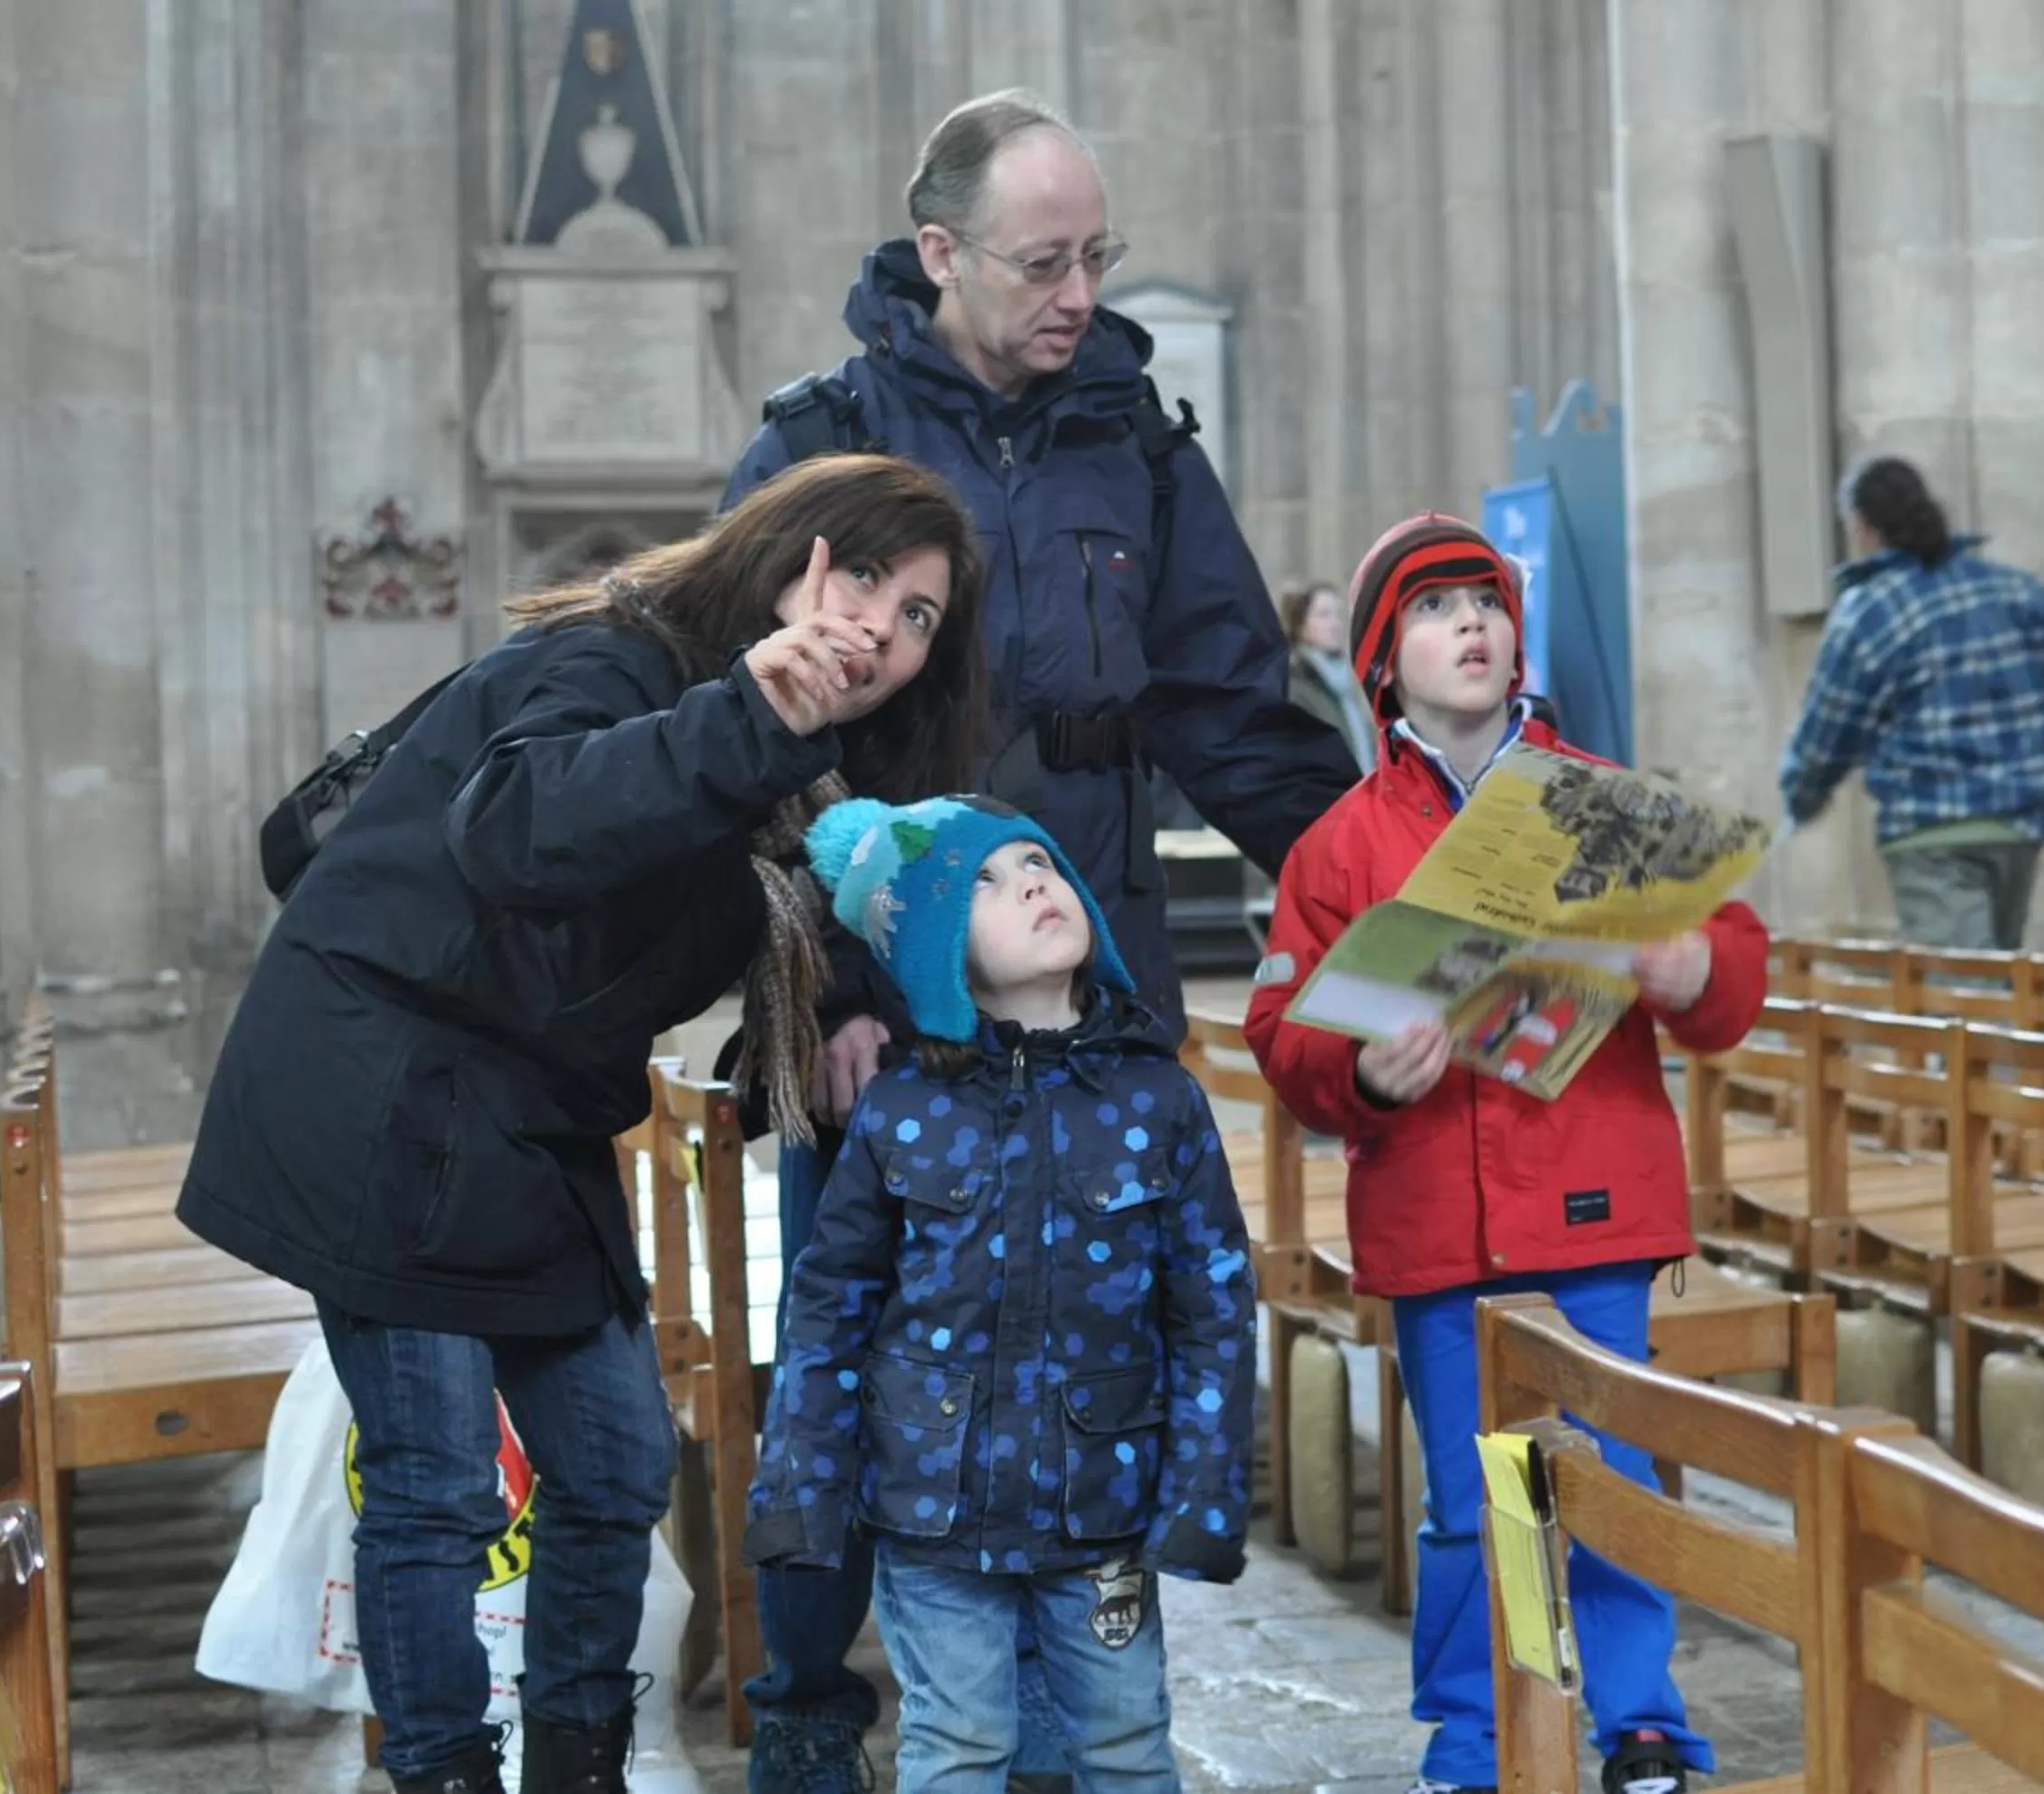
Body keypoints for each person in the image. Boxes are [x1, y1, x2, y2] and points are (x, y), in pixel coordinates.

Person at [176, 456, 986, 1794]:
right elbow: (523, 824)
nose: (880, 633)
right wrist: (747, 716)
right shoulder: (621, 665)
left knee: (614, 1462)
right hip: (387, 1079)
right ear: (790, 559)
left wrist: (844, 997)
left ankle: (577, 1768)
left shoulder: (800, 776)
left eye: (918, 619)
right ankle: (442, 1774)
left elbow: (757, 910)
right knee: (435, 1479)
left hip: (530, 1112)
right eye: (864, 583)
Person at [720, 87, 1353, 1789]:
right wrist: (829, 998)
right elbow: (751, 750)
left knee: (1098, 1343)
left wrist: (1385, 877)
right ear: (943, 253)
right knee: (863, 1345)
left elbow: (1237, 708)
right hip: (886, 1008)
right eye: (1043, 259)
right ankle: (809, 1706)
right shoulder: (822, 442)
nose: (1079, 290)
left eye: (1099, 256)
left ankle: (1077, 1724)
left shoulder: (1138, 440)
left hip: (1085, 986)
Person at [1244, 513, 1768, 1794]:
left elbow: (1734, 963)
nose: (1470, 624)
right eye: (1433, 609)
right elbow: (1281, 1024)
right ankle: (1477, 1737)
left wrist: (1692, 966)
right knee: (1474, 1506)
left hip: (1596, 1212)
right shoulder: (1342, 845)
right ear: (1382, 663)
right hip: (1439, 1227)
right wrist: (1361, 1069)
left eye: (1485, 602)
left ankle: (1641, 1718)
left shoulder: (1599, 800)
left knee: (1615, 1479)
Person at [746, 793, 1254, 1793]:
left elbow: (1214, 1311)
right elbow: (827, 1311)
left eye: (1038, 862)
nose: (1028, 881)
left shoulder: (1159, 1100)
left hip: (1101, 1507)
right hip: (932, 1514)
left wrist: (1202, 1493)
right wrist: (801, 1489)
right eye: (981, 881)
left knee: (1124, 1748)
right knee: (958, 1748)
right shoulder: (901, 1111)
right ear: (934, 948)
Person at [1776, 455, 2044, 951]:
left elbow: (1829, 729)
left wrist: (1801, 797)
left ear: (1863, 527)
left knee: (1964, 1009)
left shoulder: (1869, 612)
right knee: (1999, 994)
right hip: (2017, 829)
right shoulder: (2017, 592)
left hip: (1931, 833)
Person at [1282, 579, 1379, 773]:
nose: (1335, 624)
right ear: (1300, 624)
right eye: (1323, 615)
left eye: (1337, 615)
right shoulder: (1294, 687)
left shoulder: (1348, 684)